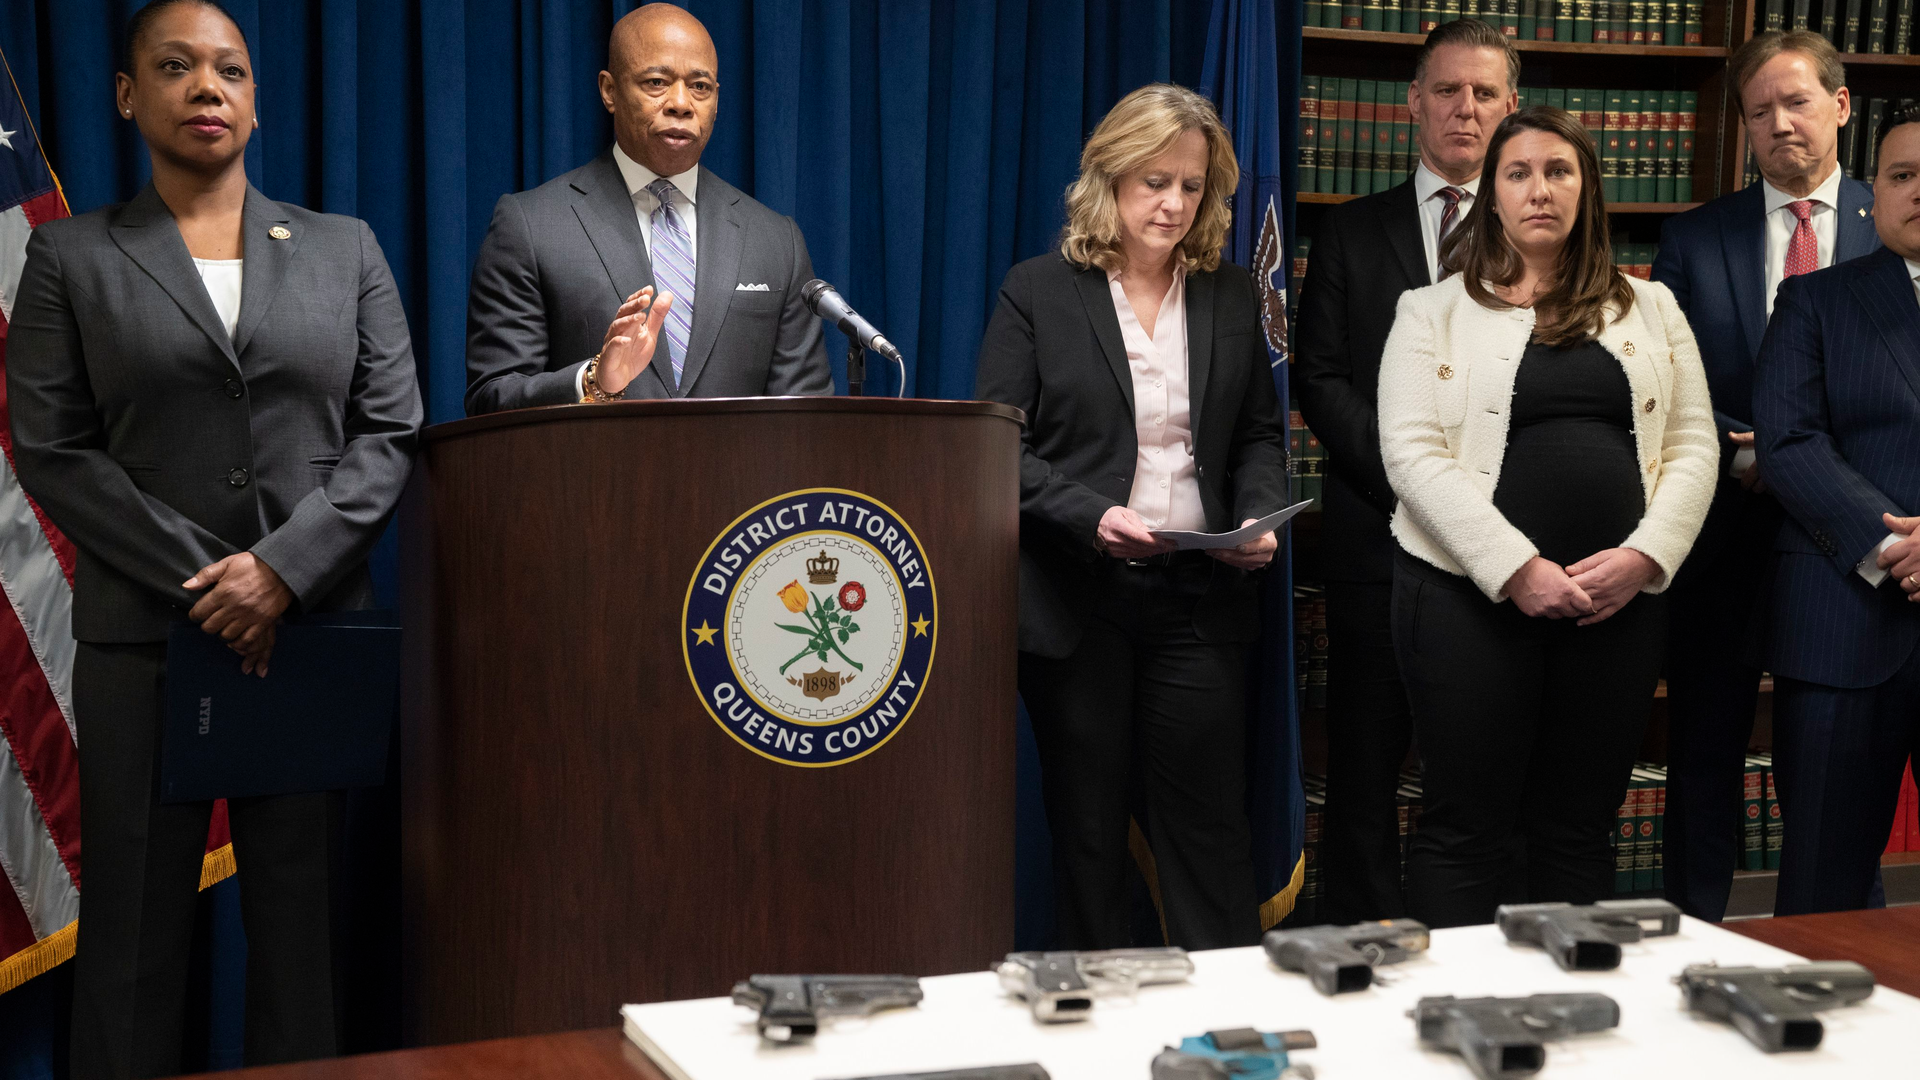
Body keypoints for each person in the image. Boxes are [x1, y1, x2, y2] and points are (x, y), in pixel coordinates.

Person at [4, 2, 422, 1074]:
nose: (207, 87)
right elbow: (54, 449)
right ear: (126, 94)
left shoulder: (346, 249)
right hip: (148, 640)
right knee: (134, 943)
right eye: (177, 66)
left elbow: (391, 434)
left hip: (312, 632)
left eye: (230, 70)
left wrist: (279, 573)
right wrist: (214, 580)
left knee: (305, 939)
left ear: (254, 97)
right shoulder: (70, 259)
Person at [1377, 106, 1717, 929]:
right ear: (1490, 195)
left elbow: (1695, 443)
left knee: (1578, 826)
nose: (1540, 190)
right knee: (1466, 825)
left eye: (1559, 172)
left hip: (1618, 609)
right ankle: (1452, 1026)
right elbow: (1412, 452)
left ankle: (1569, 1020)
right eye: (1518, 173)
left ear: (1587, 190)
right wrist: (1515, 569)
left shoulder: (1654, 306)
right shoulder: (1430, 311)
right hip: (1465, 601)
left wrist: (1645, 557)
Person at [975, 84, 1288, 949]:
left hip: (1202, 595)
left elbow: (1260, 436)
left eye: (1191, 185)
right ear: (1108, 180)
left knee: (1209, 827)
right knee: (1087, 831)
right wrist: (1093, 516)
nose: (1174, 203)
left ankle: (1227, 1020)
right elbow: (997, 447)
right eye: (1155, 181)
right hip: (1081, 601)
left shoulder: (1226, 295)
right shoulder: (1039, 291)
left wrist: (1257, 519)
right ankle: (1103, 1019)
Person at [1650, 30, 1879, 922]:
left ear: (1841, 105)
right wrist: (1749, 453)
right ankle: (1691, 940)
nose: (1780, 123)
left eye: (1797, 102)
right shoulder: (1694, 238)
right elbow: (1665, 375)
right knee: (1705, 757)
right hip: (1723, 539)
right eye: (1759, 111)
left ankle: (1838, 946)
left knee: (1834, 776)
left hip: (1850, 547)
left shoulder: (1890, 219)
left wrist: (1811, 471)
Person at [1292, 18, 1517, 922]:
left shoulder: (1539, 229)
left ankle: (1465, 933)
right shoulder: (1351, 232)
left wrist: (1474, 508)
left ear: (1510, 108)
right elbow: (1321, 377)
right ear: (1413, 103)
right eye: (1449, 91)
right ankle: (1360, 939)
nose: (1466, 109)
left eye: (1485, 94)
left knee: (1483, 758)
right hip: (1375, 540)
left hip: (1504, 547)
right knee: (1365, 762)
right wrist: (1420, 485)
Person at [464, 3, 831, 411]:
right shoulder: (531, 226)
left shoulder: (776, 240)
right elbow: (490, 400)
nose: (681, 103)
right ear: (609, 91)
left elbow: (805, 417)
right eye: (657, 82)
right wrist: (592, 380)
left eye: (700, 87)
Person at [1751, 104, 1920, 917]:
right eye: (1901, 175)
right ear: (1872, 193)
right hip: (1844, 620)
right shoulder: (1814, 301)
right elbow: (1789, 445)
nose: (1917, 191)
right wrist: (1899, 548)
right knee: (1823, 882)